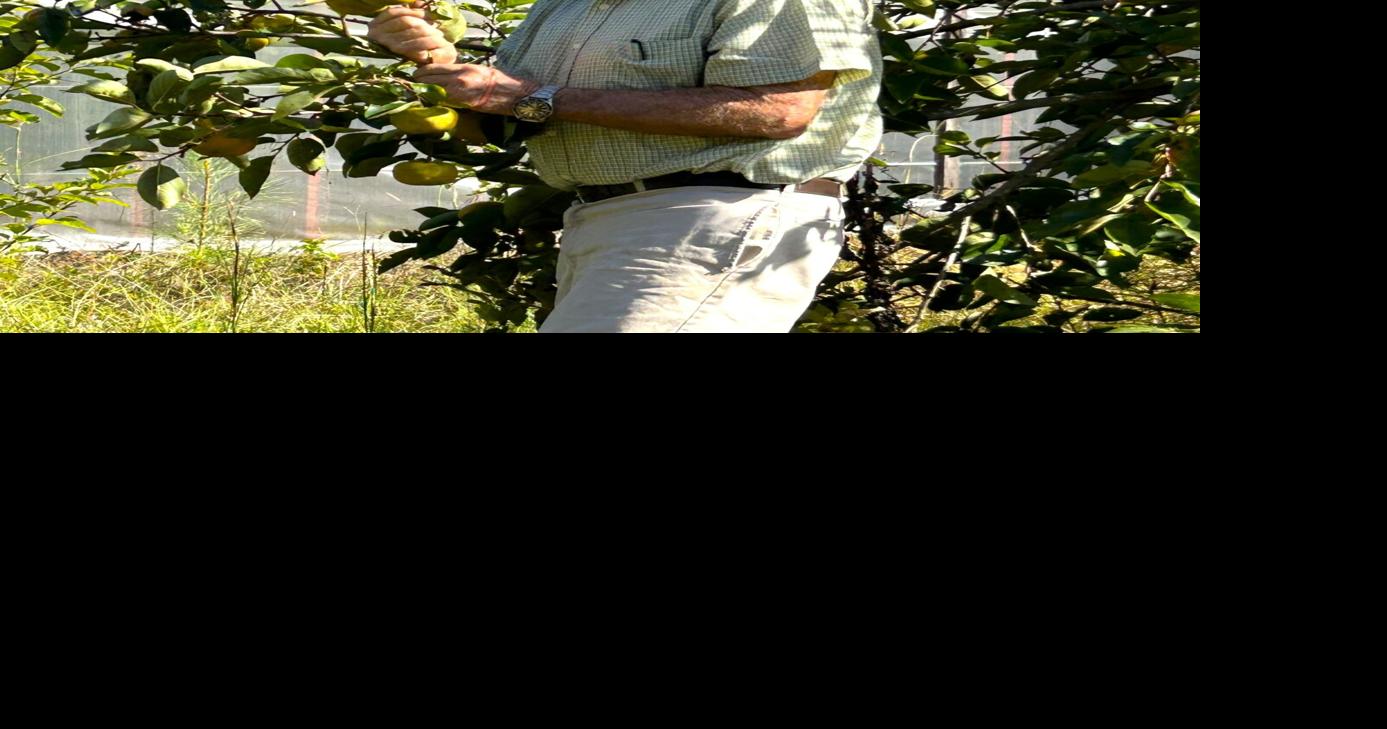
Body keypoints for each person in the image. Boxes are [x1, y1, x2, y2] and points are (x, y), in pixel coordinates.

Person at [368, 0, 883, 332]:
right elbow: (514, 116)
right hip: (607, 219)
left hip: (717, 214)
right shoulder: (566, 8)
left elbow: (778, 111)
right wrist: (432, 62)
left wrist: (533, 96)